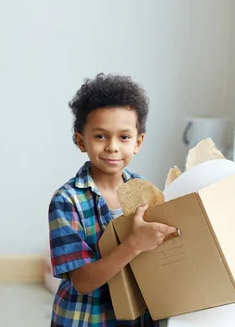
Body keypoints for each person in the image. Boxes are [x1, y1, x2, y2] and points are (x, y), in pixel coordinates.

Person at [48, 73, 176, 326]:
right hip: (87, 319)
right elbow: (83, 282)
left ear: (138, 142)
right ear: (80, 140)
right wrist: (135, 243)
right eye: (100, 136)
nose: (112, 147)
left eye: (124, 137)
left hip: (139, 316)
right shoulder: (66, 201)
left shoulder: (146, 192)